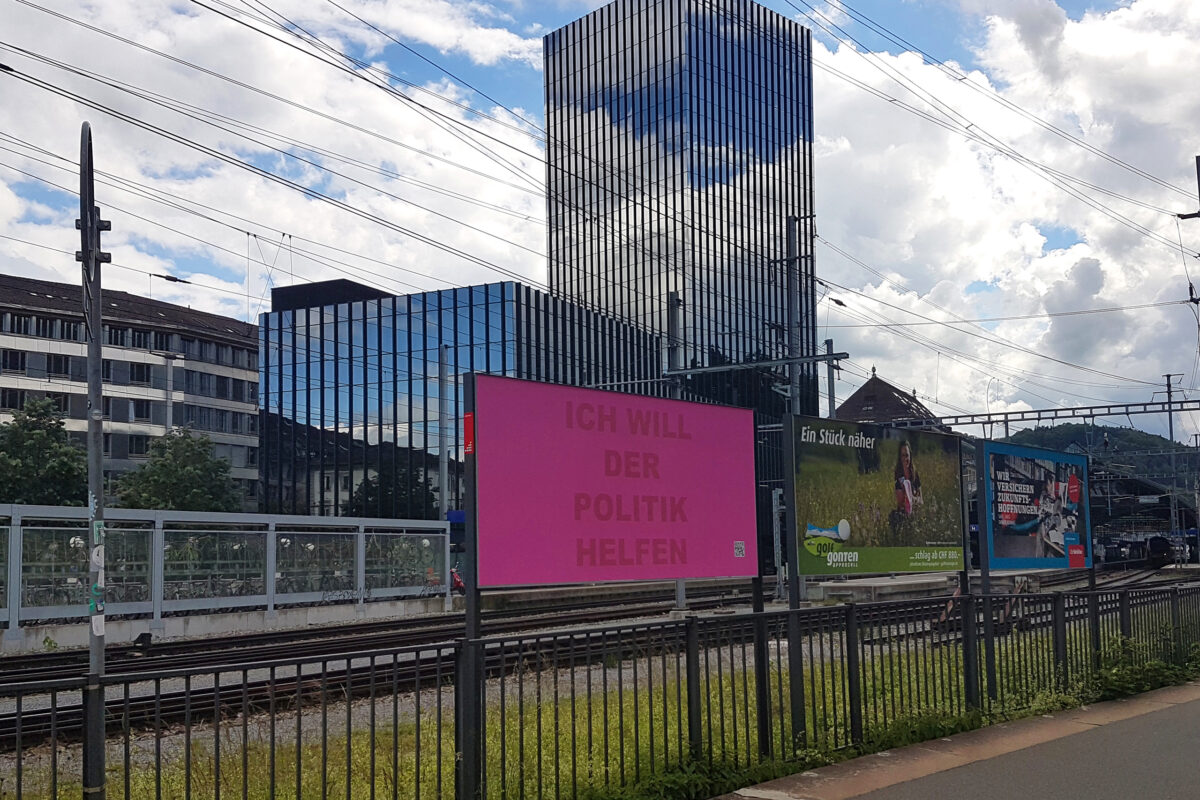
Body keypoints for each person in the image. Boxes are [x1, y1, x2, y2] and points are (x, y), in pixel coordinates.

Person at [894, 440, 922, 515]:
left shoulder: (915, 474)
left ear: (910, 456)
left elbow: (921, 500)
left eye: (907, 455)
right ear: (900, 457)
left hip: (916, 513)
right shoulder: (898, 475)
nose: (905, 458)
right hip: (903, 515)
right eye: (902, 455)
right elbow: (900, 503)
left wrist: (913, 499)